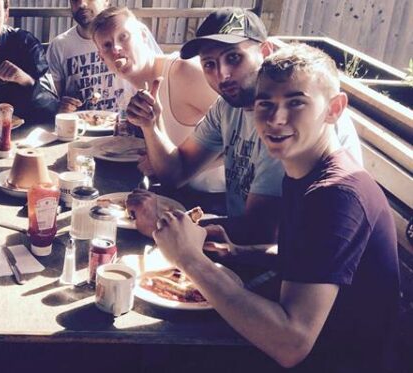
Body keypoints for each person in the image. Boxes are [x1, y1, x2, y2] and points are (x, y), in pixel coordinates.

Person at [143, 43, 399, 373]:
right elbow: (312, 264)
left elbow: (290, 341)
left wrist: (190, 260)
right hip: (299, 366)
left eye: (295, 103)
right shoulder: (302, 170)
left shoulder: (338, 195)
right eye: (265, 105)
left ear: (334, 108)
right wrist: (240, 251)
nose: (276, 120)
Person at [125, 8, 362, 244]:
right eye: (209, 64)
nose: (222, 74)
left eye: (234, 58)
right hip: (242, 246)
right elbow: (176, 172)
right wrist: (151, 125)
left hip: (282, 261)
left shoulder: (283, 123)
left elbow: (261, 231)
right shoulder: (227, 106)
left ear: (265, 51)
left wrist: (164, 223)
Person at [90, 6, 223, 192]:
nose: (116, 49)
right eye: (107, 45)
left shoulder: (183, 72)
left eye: (123, 36)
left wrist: (184, 168)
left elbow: (242, 131)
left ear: (143, 35)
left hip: (217, 199)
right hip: (179, 194)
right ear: (102, 58)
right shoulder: (134, 89)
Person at [47, 0, 142, 113]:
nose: (82, 4)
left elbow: (153, 76)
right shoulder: (60, 45)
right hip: (81, 127)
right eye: (75, 0)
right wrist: (61, 107)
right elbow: (54, 99)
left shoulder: (131, 35)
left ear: (106, 1)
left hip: (127, 124)